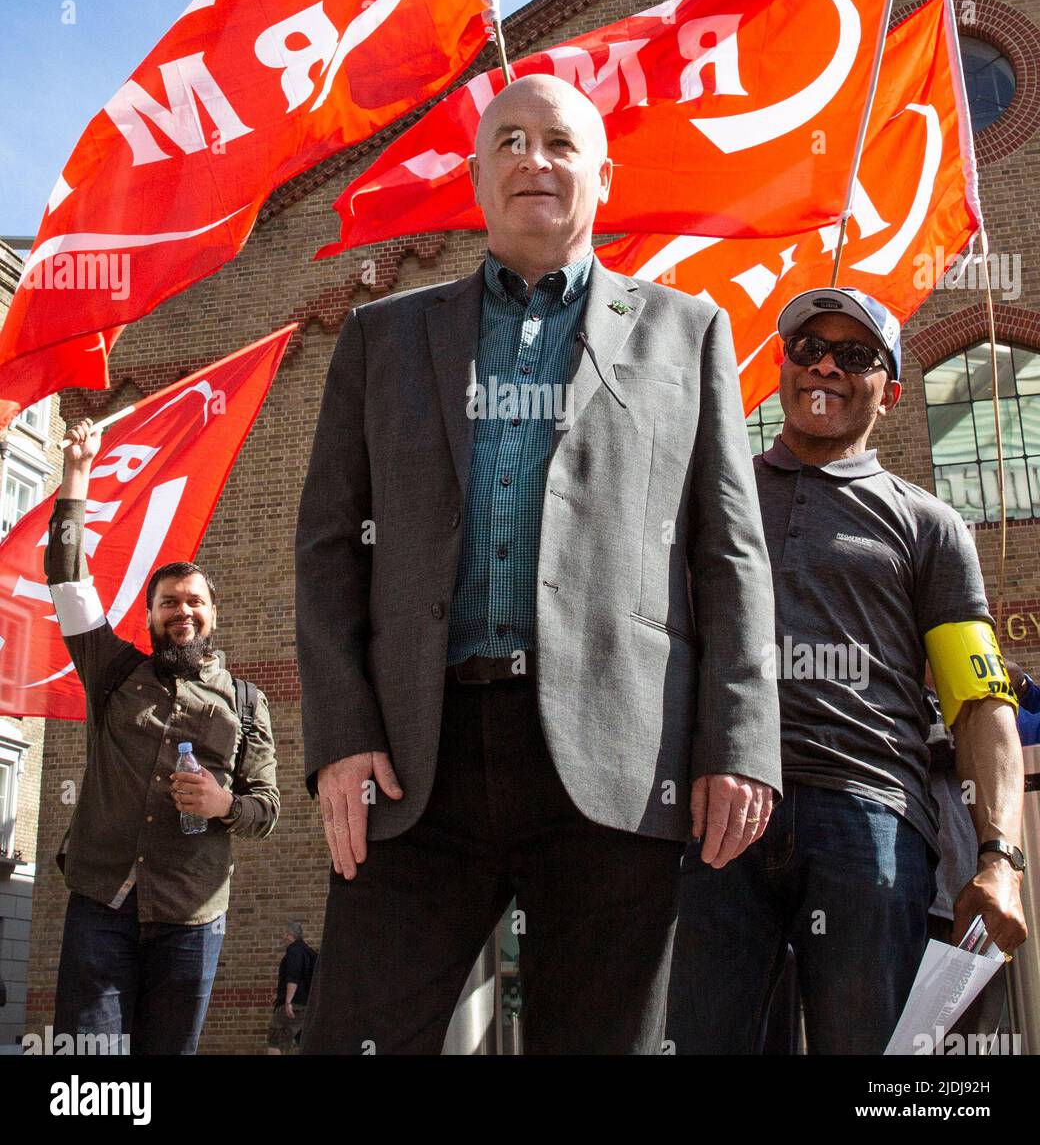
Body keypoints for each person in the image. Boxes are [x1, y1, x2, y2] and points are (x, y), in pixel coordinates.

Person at [295, 73, 781, 1055]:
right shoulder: (380, 336)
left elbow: (728, 552)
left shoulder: (688, 334)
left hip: (616, 756)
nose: (533, 160)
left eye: (558, 143)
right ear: (475, 176)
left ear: (601, 175)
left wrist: (737, 740)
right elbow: (325, 546)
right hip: (413, 759)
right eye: (508, 142)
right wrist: (339, 736)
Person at [667, 287, 1028, 1055]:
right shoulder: (707, 502)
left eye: (855, 355)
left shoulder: (931, 525)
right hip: (716, 814)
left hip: (870, 822)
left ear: (891, 391)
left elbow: (981, 702)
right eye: (807, 347)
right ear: (781, 362)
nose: (824, 365)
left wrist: (1001, 859)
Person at [47, 418, 280, 1056]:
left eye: (194, 602)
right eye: (169, 603)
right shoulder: (113, 671)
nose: (184, 612)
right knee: (89, 1067)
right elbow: (67, 579)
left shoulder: (247, 701)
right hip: (100, 902)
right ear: (149, 616)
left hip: (191, 915)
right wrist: (77, 474)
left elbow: (267, 808)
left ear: (213, 613)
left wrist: (223, 804)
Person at [266, 921, 318, 1054]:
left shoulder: (294, 952)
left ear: (290, 935)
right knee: (304, 1042)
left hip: (293, 1006)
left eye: (284, 934)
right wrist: (280, 994)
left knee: (276, 1042)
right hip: (306, 1006)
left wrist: (288, 1001)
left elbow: (293, 977)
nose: (282, 937)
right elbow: (305, 978)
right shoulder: (310, 953)